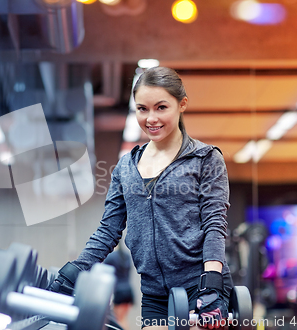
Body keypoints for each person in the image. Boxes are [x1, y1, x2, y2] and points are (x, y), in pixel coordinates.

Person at [50, 66, 233, 330]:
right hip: (155, 292)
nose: (151, 118)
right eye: (142, 109)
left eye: (161, 107)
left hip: (200, 285)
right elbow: (108, 230)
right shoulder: (126, 166)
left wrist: (212, 282)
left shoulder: (205, 159)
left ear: (182, 105)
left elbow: (215, 224)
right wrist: (75, 271)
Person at [104, 242, 135, 330]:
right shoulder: (126, 256)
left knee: (119, 320)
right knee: (124, 318)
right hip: (129, 291)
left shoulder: (111, 257)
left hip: (119, 292)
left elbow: (103, 271)